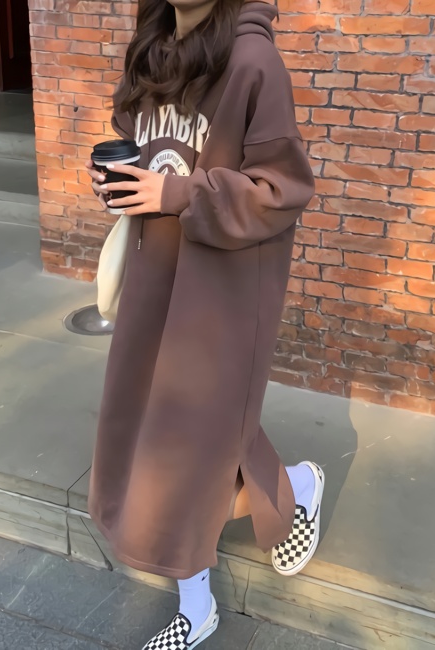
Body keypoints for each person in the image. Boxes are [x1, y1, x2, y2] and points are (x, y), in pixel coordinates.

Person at [85, 0, 324, 647]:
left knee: (189, 456)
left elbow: (282, 189)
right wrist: (118, 179)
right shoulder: (153, 46)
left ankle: (285, 502)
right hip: (154, 277)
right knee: (160, 439)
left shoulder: (253, 60)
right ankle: (284, 500)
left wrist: (175, 193)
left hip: (221, 294)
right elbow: (140, 140)